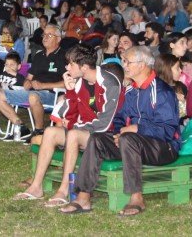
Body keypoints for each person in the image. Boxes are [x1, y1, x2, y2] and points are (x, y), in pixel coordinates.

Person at [61, 46, 179, 216]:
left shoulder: (161, 91)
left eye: (127, 62)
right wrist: (118, 133)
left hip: (164, 148)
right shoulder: (131, 90)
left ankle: (136, 198)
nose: (124, 65)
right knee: (97, 139)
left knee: (129, 138)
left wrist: (137, 128)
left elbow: (168, 130)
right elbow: (119, 119)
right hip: (132, 143)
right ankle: (83, 196)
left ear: (142, 65)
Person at [14, 48, 125, 206]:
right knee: (51, 131)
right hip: (85, 132)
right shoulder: (81, 82)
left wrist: (74, 125)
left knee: (73, 134)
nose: (66, 68)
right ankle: (36, 187)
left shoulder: (110, 83)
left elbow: (104, 123)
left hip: (107, 137)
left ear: (84, 67)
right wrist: (71, 91)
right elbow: (73, 112)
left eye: (71, 64)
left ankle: (64, 191)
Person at [0, 24, 66, 140]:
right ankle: (21, 127)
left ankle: (39, 131)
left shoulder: (63, 56)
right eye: (44, 35)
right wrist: (27, 81)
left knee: (33, 96)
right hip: (33, 92)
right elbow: (29, 77)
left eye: (49, 35)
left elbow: (67, 83)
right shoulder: (38, 56)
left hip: (53, 94)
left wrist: (43, 86)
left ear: (58, 39)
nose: (45, 37)